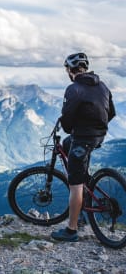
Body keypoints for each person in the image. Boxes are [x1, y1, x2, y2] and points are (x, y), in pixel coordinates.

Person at [51, 52, 116, 242]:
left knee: (75, 184)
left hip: (83, 138)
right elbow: (111, 112)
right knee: (67, 144)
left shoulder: (74, 88)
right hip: (98, 136)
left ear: (70, 70)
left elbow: (68, 119)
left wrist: (72, 127)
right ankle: (84, 184)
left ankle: (71, 230)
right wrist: (94, 127)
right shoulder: (102, 86)